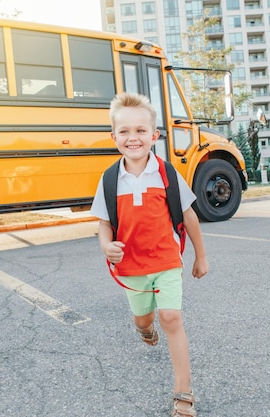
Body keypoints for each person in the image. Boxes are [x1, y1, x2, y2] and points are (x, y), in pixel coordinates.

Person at [90, 92, 208, 416]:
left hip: (166, 260)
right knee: (144, 318)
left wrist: (201, 256)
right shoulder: (111, 179)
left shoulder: (167, 174)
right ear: (113, 137)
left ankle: (183, 394)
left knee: (172, 317)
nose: (133, 138)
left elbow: (189, 216)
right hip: (131, 267)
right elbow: (104, 224)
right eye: (125, 131)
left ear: (154, 135)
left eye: (141, 131)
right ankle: (144, 328)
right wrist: (105, 245)